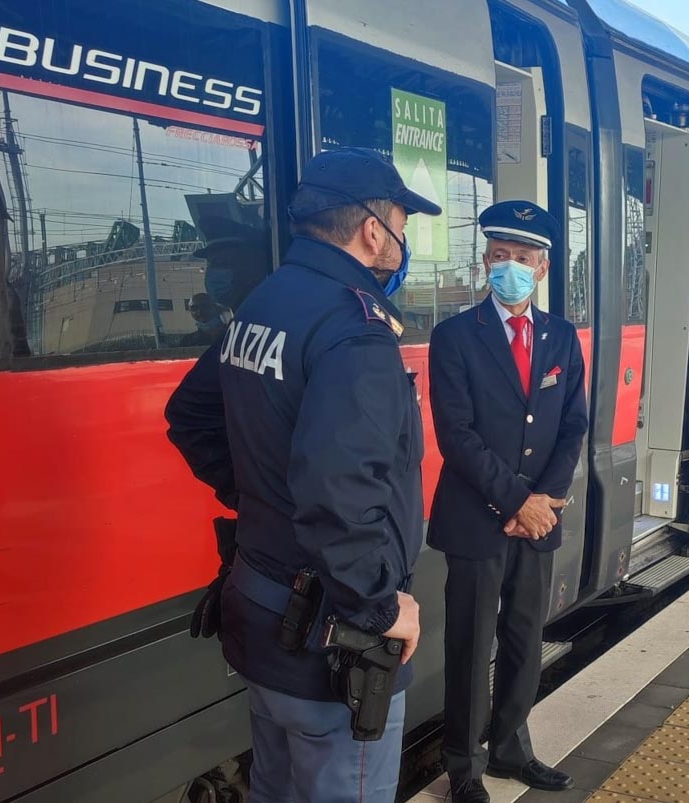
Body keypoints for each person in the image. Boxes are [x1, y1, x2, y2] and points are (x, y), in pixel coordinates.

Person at [165, 147, 441, 803]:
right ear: (374, 228)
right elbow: (338, 499)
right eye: (403, 219)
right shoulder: (354, 329)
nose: (403, 237)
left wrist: (259, 493)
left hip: (261, 610)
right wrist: (380, 607)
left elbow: (191, 415)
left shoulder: (265, 303)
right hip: (333, 642)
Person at [428, 201, 588, 803]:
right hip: (478, 520)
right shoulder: (454, 338)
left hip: (538, 517)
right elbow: (457, 436)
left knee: (525, 638)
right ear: (486, 263)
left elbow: (573, 424)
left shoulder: (561, 338)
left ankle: (513, 749)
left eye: (522, 259)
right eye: (499, 257)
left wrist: (545, 498)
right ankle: (464, 770)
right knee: (470, 645)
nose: (509, 268)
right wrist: (519, 502)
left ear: (542, 269)